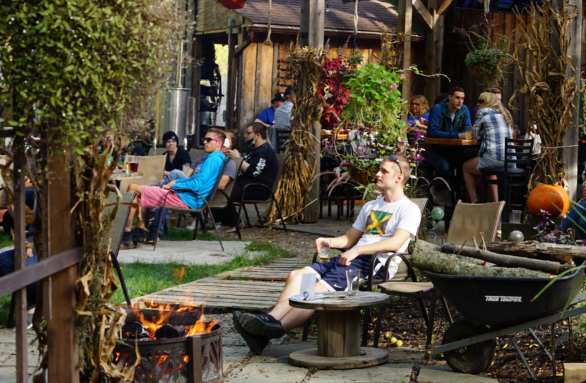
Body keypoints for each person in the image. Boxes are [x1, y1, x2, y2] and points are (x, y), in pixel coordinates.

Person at [233, 155, 421, 354]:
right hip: (352, 257)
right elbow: (349, 239)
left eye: (384, 171)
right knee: (297, 276)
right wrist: (330, 241)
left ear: (399, 178)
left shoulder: (409, 209)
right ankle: (269, 321)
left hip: (376, 263)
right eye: (379, 170)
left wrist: (357, 250)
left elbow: (396, 243)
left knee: (313, 290)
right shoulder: (371, 206)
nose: (377, 174)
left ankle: (269, 330)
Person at [125, 128, 231, 243]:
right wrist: (175, 183)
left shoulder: (213, 159)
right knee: (140, 195)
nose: (204, 142)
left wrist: (173, 184)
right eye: (204, 139)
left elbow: (197, 184)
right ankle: (139, 230)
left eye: (208, 140)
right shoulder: (216, 158)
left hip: (188, 199)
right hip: (187, 196)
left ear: (219, 143)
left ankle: (126, 233)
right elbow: (194, 179)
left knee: (133, 188)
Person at [214, 121, 279, 229]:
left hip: (259, 188)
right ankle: (223, 220)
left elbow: (253, 172)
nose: (245, 136)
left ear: (257, 135)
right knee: (217, 185)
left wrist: (239, 158)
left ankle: (232, 222)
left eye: (248, 133)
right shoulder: (253, 150)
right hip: (246, 184)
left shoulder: (265, 151)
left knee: (226, 191)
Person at [462, 92, 513, 203]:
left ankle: (474, 202)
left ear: (487, 102)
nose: (477, 104)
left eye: (480, 101)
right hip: (510, 161)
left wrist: (481, 132)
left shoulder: (483, 112)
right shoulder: (505, 113)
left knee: (466, 167)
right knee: (489, 170)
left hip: (494, 159)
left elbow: (474, 134)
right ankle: (495, 204)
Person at [423, 86, 472, 184]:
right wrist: (456, 136)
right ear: (450, 97)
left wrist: (464, 135)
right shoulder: (438, 108)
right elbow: (433, 132)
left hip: (454, 150)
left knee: (465, 165)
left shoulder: (464, 109)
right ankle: (436, 192)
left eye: (462, 98)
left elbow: (468, 132)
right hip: (433, 149)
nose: (460, 101)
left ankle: (456, 195)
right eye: (457, 97)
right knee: (444, 166)